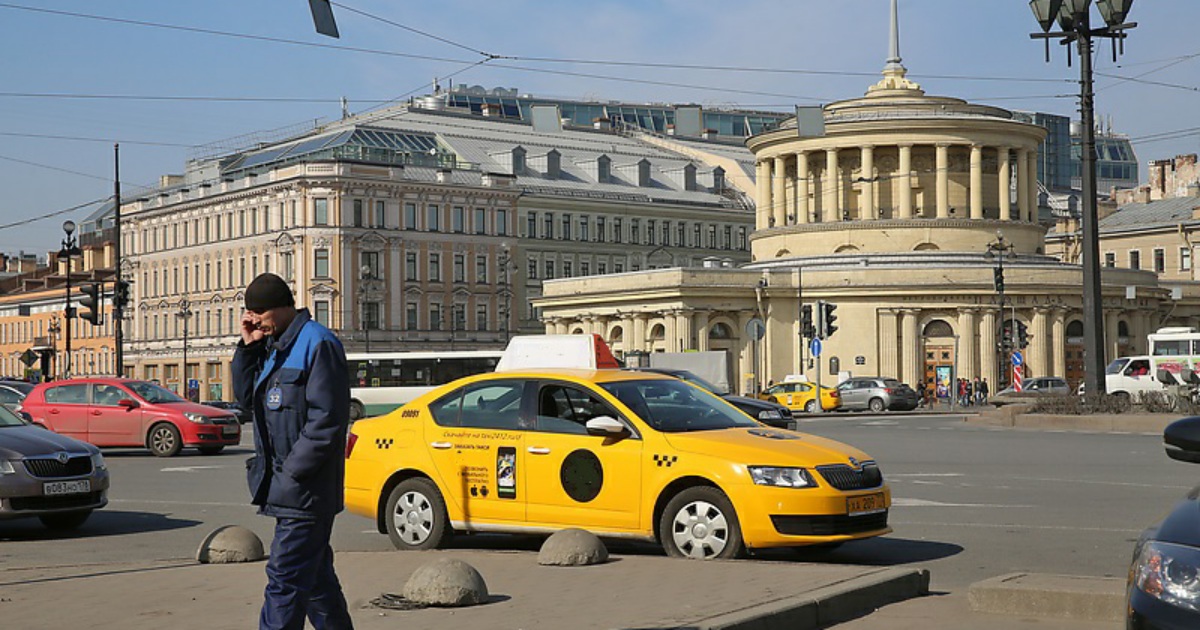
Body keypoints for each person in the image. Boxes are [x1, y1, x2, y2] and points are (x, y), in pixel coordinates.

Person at [232, 273, 354, 630]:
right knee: (316, 582)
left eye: (260, 312)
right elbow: (245, 400)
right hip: (288, 489)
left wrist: (293, 474)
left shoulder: (317, 343)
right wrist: (248, 347)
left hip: (306, 490)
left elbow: (327, 421)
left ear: (283, 307)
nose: (254, 319)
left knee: (284, 579)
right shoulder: (272, 347)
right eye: (249, 312)